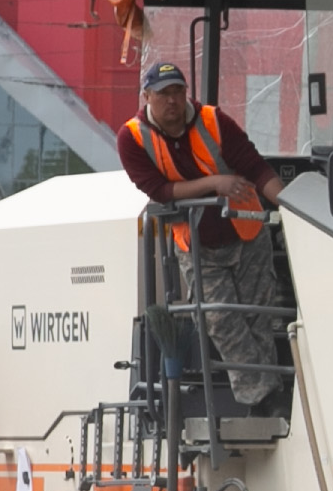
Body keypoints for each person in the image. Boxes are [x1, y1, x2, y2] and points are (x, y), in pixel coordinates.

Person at [118, 60, 293, 411]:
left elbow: (255, 167)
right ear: (147, 97)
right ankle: (262, 395)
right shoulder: (132, 138)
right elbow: (159, 190)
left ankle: (271, 395)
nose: (172, 100)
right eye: (164, 94)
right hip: (196, 243)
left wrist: (292, 207)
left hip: (247, 229)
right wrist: (216, 184)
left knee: (257, 314)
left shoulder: (214, 121)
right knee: (219, 318)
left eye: (178, 92)